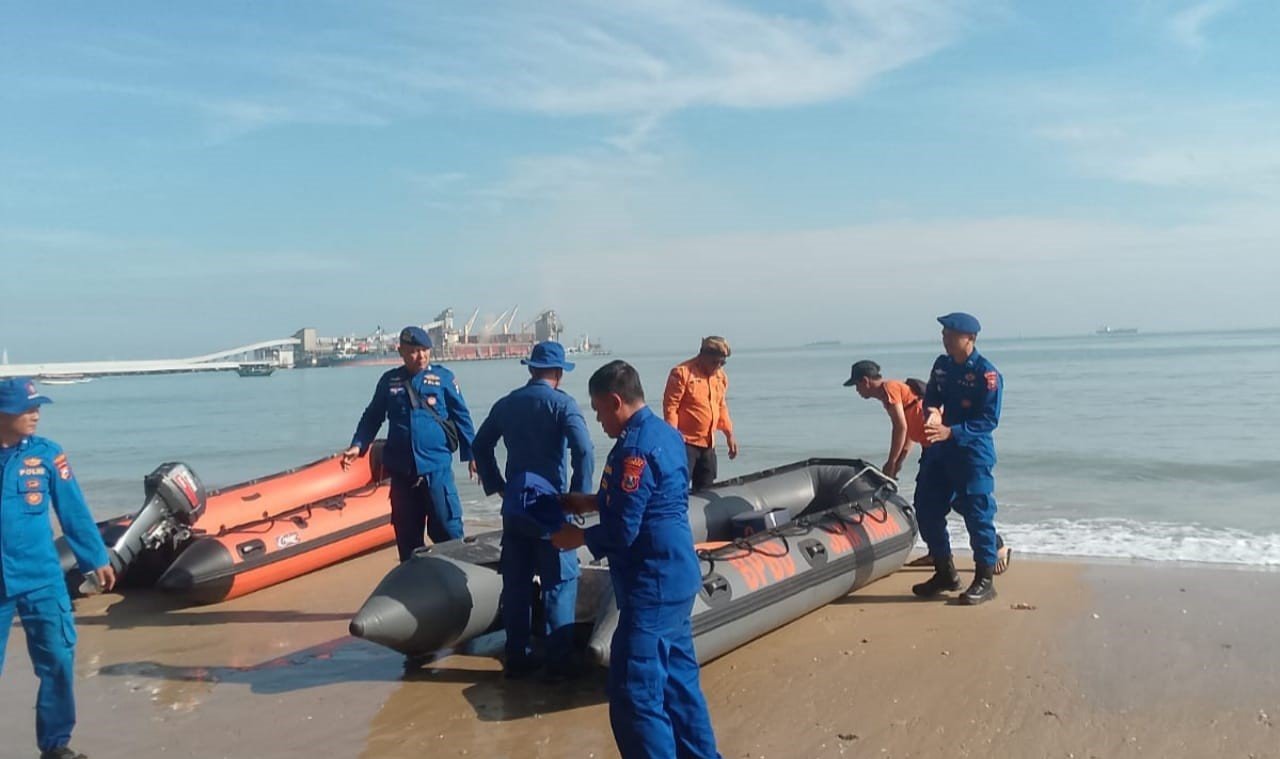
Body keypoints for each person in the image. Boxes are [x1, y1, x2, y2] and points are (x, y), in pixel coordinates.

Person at [552, 360, 721, 759]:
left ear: (615, 401)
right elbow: (655, 499)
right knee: (680, 686)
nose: (598, 421)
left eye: (598, 411)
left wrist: (577, 537)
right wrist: (590, 501)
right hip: (676, 577)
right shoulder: (665, 433)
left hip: (653, 585)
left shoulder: (633, 449)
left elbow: (623, 530)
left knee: (634, 694)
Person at [1, 377, 116, 759]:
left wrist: (95, 558)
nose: (35, 415)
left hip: (41, 579)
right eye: (27, 408)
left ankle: (55, 746)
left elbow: (73, 511)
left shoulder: (49, 456)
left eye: (38, 407)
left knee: (58, 662)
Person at [471, 341, 594, 680]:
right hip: (551, 507)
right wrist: (579, 495)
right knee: (559, 582)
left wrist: (497, 485)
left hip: (515, 507)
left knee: (517, 584)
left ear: (530, 369)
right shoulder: (563, 405)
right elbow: (584, 451)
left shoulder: (507, 404)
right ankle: (558, 661)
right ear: (559, 373)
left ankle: (518, 656)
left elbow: (480, 446)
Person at [844, 360, 1011, 574]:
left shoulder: (889, 389)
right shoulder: (891, 395)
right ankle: (937, 552)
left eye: (857, 385)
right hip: (929, 447)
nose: (857, 391)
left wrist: (891, 462)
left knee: (959, 501)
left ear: (865, 381)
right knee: (927, 503)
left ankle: (996, 545)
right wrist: (899, 462)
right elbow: (910, 431)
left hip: (941, 445)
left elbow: (901, 427)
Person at [342, 326, 476, 561]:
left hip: (437, 472)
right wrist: (358, 444)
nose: (421, 356)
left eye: (425, 350)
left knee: (448, 532)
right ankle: (417, 585)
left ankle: (459, 576)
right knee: (408, 540)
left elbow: (462, 417)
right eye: (414, 351)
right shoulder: (389, 381)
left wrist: (473, 455)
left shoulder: (443, 379)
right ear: (401, 351)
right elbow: (373, 415)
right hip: (403, 475)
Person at [911, 313, 1004, 605]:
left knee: (978, 515)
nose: (945, 339)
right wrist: (933, 410)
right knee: (926, 508)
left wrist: (952, 431)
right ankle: (944, 572)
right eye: (944, 333)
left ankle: (985, 579)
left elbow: (988, 420)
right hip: (938, 450)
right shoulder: (941, 366)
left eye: (951, 334)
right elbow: (932, 397)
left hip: (970, 453)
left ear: (970, 338)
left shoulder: (987, 375)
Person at [662, 336, 738, 491]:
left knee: (705, 489)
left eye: (722, 363)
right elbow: (671, 407)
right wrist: (673, 438)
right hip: (685, 443)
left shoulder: (720, 377)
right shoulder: (682, 373)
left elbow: (721, 406)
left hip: (708, 444)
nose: (718, 366)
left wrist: (729, 435)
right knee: (679, 486)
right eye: (714, 362)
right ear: (702, 355)